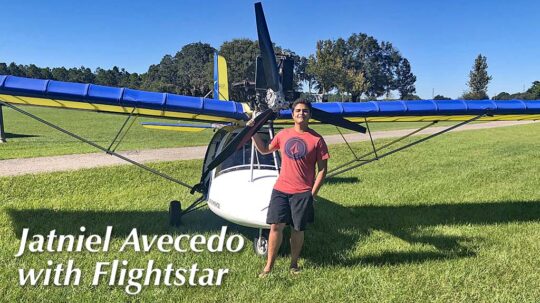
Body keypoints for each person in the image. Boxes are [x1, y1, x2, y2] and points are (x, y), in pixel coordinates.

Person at [251, 99, 329, 277]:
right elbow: (264, 149)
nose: (301, 113)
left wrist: (312, 194)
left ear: (310, 115)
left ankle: (294, 265)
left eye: (305, 111)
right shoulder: (283, 134)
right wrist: (252, 130)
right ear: (293, 114)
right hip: (281, 189)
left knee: (297, 229)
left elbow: (322, 170)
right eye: (298, 110)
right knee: (275, 227)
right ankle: (269, 267)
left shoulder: (317, 140)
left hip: (302, 193)